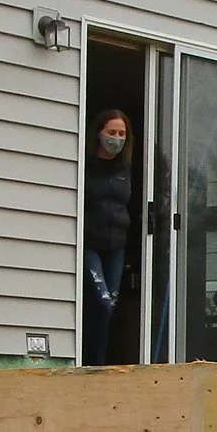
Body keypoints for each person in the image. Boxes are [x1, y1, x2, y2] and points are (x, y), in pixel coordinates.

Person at [82, 108, 133, 365]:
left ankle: (99, 365)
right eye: (112, 132)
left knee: (109, 307)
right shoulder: (86, 166)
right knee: (100, 301)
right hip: (90, 243)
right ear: (99, 133)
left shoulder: (126, 169)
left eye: (122, 134)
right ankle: (91, 362)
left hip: (117, 246)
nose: (117, 138)